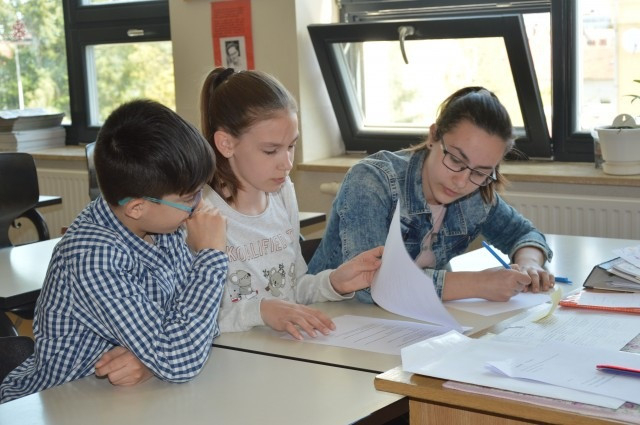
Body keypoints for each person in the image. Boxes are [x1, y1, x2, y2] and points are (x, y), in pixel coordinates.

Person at [0, 99, 228, 403]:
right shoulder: (93, 257)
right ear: (137, 207)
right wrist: (210, 258)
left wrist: (150, 361)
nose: (200, 205)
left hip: (126, 397)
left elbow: (199, 328)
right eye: (190, 197)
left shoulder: (163, 226)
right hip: (63, 402)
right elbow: (180, 358)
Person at [308, 87, 555, 304]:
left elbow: (525, 234)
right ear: (433, 136)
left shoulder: (476, 196)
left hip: (414, 323)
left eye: (480, 172)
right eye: (456, 160)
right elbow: (371, 283)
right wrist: (478, 284)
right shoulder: (372, 181)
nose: (461, 182)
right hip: (332, 320)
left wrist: (529, 264)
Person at [199, 67, 383, 340]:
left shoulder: (283, 192)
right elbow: (194, 318)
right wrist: (261, 311)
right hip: (233, 356)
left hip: (284, 350)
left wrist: (333, 282)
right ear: (226, 144)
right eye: (271, 150)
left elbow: (292, 290)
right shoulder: (200, 213)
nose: (286, 164)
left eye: (291, 146)